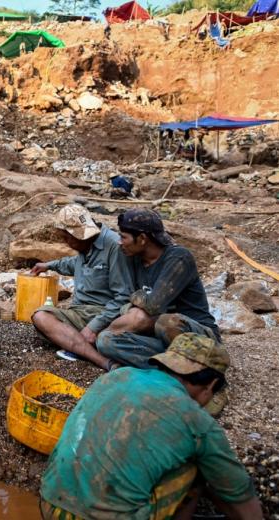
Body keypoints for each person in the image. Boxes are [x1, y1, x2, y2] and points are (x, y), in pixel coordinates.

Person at [40, 333, 262, 520]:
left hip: (50, 504)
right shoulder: (195, 419)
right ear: (212, 384)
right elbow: (239, 494)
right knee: (196, 466)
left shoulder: (116, 375)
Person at [96, 209, 221, 370]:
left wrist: (134, 298)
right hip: (161, 339)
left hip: (197, 335)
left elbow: (153, 306)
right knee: (106, 341)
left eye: (123, 237)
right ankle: (176, 368)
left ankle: (203, 365)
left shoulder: (178, 258)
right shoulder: (134, 260)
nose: (119, 242)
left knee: (167, 322)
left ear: (142, 239)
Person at [30, 205, 132, 371]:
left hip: (104, 314)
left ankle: (101, 360)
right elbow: (74, 264)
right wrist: (48, 265)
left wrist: (93, 327)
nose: (68, 243)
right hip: (79, 313)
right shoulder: (85, 247)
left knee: (57, 328)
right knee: (41, 316)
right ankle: (81, 343)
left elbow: (123, 296)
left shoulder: (114, 246)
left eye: (68, 239)